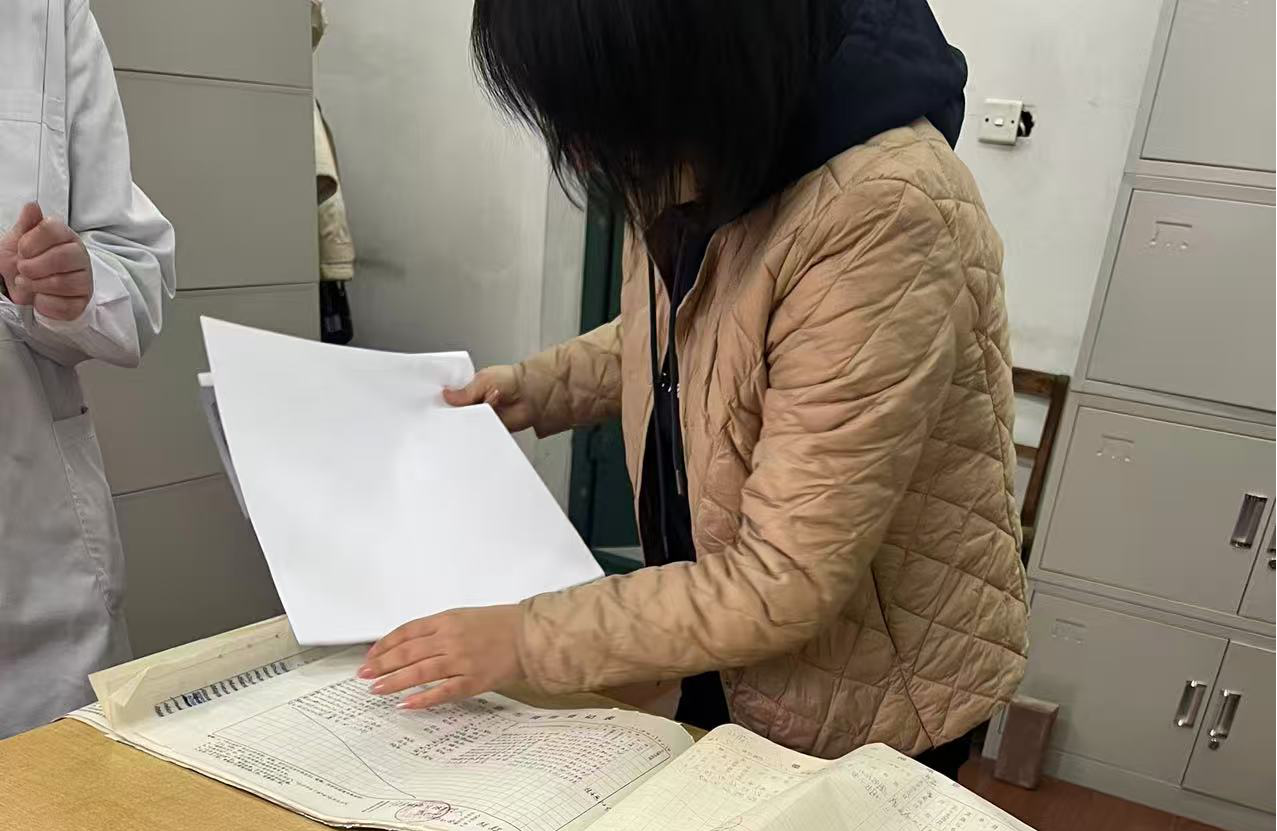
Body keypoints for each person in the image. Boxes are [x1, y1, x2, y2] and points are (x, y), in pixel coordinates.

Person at [361, 0, 1028, 774]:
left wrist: (522, 638)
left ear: (692, 67)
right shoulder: (698, 156)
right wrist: (533, 389)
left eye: (597, 115)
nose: (579, 154)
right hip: (728, 646)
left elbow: (782, 579)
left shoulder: (882, 208)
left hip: (870, 693)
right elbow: (688, 335)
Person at [1, 0, 175, 738]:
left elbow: (134, 275)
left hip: (29, 592)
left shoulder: (47, 14)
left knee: (62, 803)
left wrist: (72, 287)